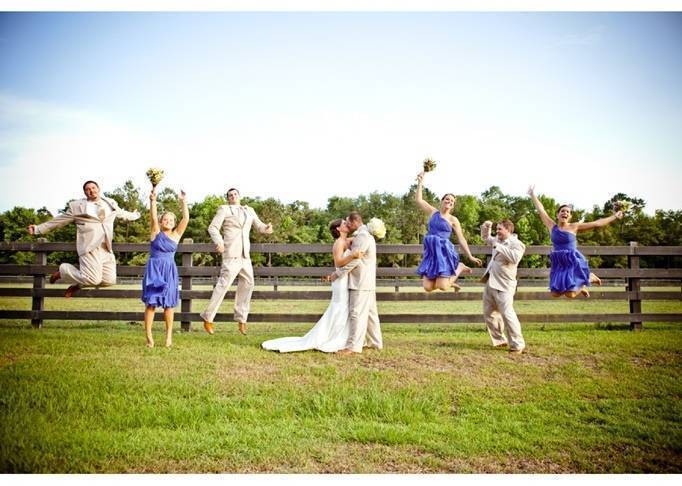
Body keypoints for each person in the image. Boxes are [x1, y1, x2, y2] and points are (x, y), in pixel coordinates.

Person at [262, 219, 365, 352]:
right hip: (340, 281)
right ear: (339, 229)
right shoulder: (338, 243)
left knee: (345, 308)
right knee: (339, 307)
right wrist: (353, 255)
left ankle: (342, 336)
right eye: (344, 224)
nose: (347, 225)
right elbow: (339, 262)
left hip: (346, 279)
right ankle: (332, 337)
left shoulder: (347, 240)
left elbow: (360, 236)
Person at [27, 180, 140, 297]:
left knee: (109, 280)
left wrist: (135, 215)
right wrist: (37, 229)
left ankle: (78, 285)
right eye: (87, 189)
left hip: (106, 246)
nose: (91, 191)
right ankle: (63, 271)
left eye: (93, 188)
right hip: (89, 246)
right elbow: (59, 221)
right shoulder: (77, 206)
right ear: (85, 193)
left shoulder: (109, 202)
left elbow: (122, 214)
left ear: (98, 189)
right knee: (94, 279)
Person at [528, 185, 624, 298]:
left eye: (568, 212)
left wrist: (615, 217)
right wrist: (532, 194)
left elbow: (597, 223)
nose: (565, 213)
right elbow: (541, 209)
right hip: (558, 261)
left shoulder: (574, 226)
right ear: (557, 215)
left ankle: (589, 278)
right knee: (555, 293)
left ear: (570, 216)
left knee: (571, 294)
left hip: (572, 260)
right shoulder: (551, 226)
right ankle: (582, 286)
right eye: (562, 211)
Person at [200, 188, 273, 335]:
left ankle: (242, 320)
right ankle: (208, 318)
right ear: (228, 198)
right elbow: (213, 227)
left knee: (248, 284)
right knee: (223, 285)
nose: (233, 196)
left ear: (239, 196)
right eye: (230, 195)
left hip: (245, 255)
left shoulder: (249, 210)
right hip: (231, 254)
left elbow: (259, 227)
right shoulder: (224, 209)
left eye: (235, 194)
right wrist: (219, 242)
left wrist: (267, 228)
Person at [415, 171, 482, 292]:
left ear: (452, 206)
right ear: (442, 200)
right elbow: (419, 200)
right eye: (447, 199)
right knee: (427, 287)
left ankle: (460, 268)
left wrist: (470, 256)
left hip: (444, 253)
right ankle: (451, 283)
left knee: (443, 287)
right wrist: (420, 182)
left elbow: (461, 239)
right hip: (431, 252)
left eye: (452, 202)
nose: (449, 202)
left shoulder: (453, 220)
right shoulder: (433, 212)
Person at [327, 211, 383, 355]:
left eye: (347, 221)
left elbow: (355, 260)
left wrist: (337, 273)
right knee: (371, 314)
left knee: (356, 314)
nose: (346, 223)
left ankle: (353, 346)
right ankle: (376, 342)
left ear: (353, 222)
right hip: (367, 281)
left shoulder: (362, 237)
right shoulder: (363, 235)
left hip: (361, 281)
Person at [141, 186, 189, 348]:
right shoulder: (155, 232)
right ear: (161, 222)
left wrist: (183, 202)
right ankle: (149, 337)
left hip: (169, 271)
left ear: (174, 223)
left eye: (171, 220)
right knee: (151, 304)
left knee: (169, 305)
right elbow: (153, 217)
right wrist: (152, 200)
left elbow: (186, 219)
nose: (168, 221)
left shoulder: (176, 235)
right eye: (165, 219)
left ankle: (169, 337)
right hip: (154, 270)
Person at [480, 219, 526, 354]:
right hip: (491, 281)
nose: (497, 232)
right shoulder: (497, 240)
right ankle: (500, 340)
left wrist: (497, 246)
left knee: (507, 314)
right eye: (497, 229)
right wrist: (486, 226)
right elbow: (485, 237)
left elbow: (515, 258)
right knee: (489, 313)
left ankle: (517, 345)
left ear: (508, 230)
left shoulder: (517, 244)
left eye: (499, 229)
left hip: (505, 284)